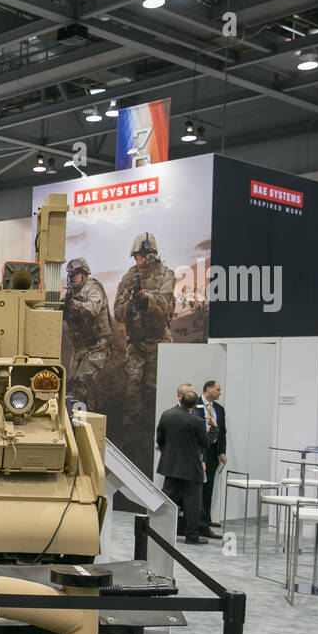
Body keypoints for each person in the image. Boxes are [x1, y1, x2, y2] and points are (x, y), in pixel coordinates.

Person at [116, 232, 176, 414]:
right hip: (135, 341)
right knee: (133, 385)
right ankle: (130, 429)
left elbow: (165, 303)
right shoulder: (129, 277)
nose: (140, 260)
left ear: (153, 254)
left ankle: (152, 426)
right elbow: (118, 312)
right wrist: (130, 306)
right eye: (137, 256)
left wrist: (144, 299)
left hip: (158, 340)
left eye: (143, 255)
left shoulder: (165, 274)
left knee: (153, 387)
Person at [156, 383, 210, 544]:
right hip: (191, 469)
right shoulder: (197, 421)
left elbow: (160, 438)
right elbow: (206, 443)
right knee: (192, 503)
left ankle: (160, 531)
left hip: (170, 466)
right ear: (194, 405)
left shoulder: (167, 415)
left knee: (167, 500)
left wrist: (168, 455)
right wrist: (214, 429)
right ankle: (191, 535)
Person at [62, 258, 112, 407]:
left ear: (84, 274)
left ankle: (87, 418)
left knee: (81, 383)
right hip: (79, 347)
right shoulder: (72, 292)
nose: (73, 278)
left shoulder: (93, 288)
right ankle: (80, 416)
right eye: (71, 275)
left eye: (76, 274)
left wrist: (73, 304)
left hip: (97, 345)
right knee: (71, 387)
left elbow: (92, 309)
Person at [197, 380, 227, 534]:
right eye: (218, 389)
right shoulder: (194, 404)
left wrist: (222, 451)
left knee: (209, 486)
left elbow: (222, 432)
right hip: (198, 449)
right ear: (208, 389)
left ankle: (206, 519)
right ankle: (198, 520)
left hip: (212, 451)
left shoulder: (219, 410)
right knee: (197, 487)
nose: (220, 392)